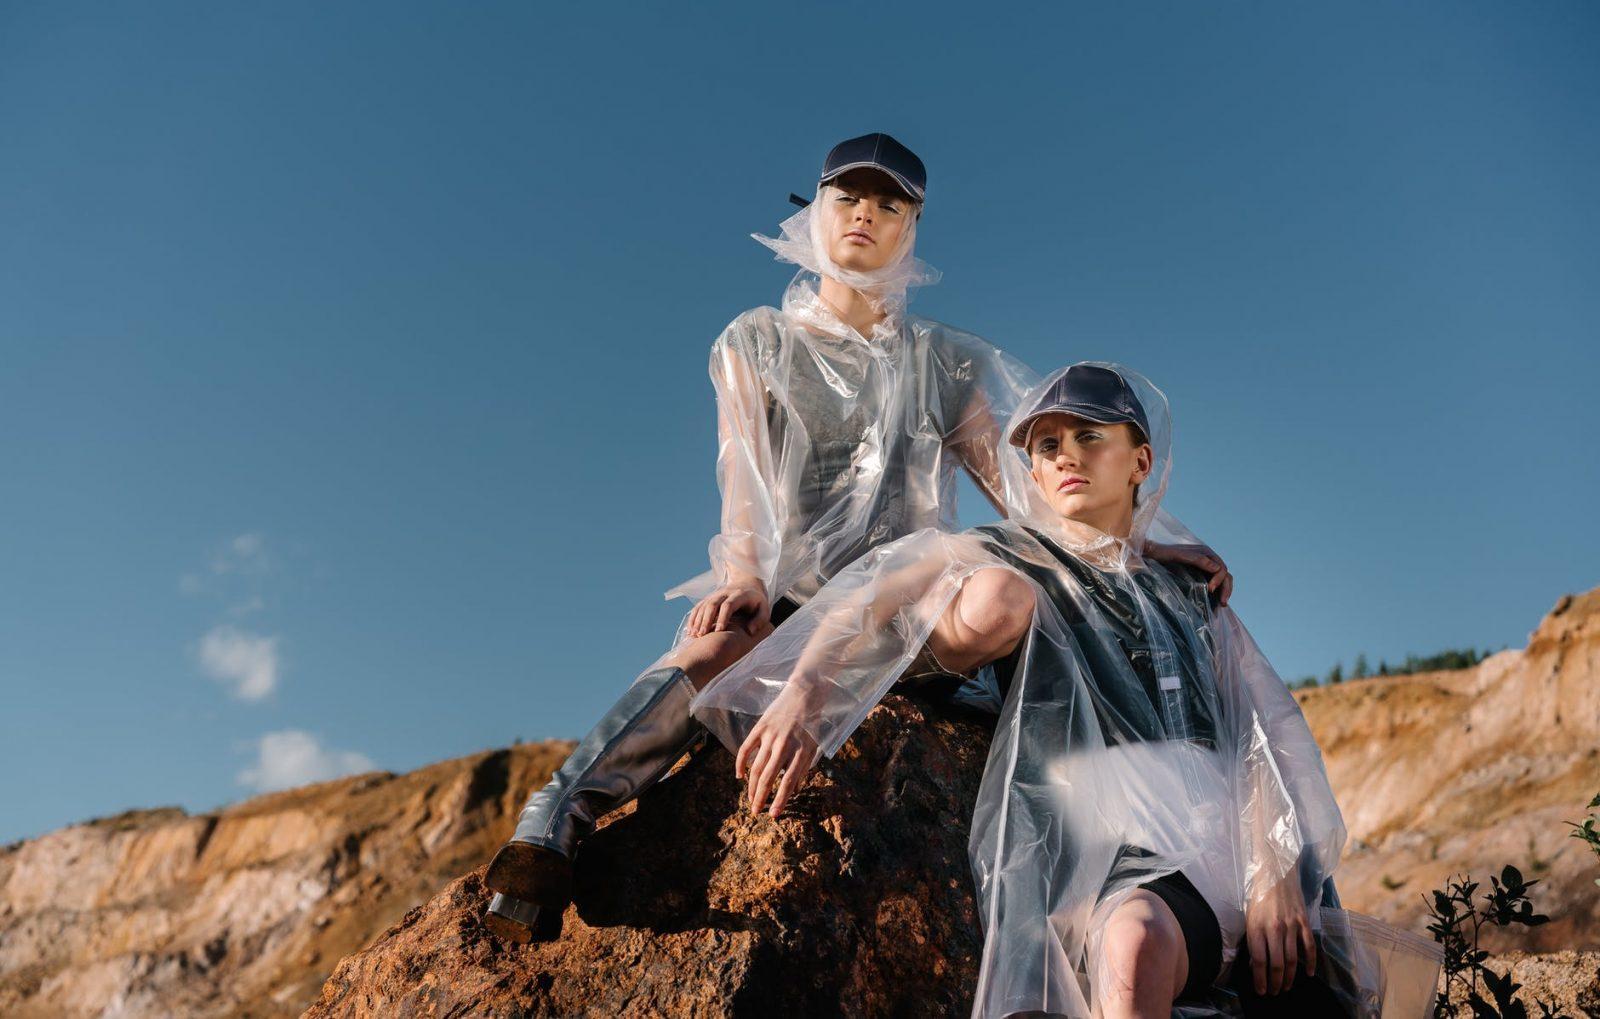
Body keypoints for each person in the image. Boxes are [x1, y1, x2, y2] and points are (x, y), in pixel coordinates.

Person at [483, 137, 1232, 944]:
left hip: (907, 616)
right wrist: (740, 574)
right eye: (848, 198)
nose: (866, 214)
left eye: (890, 203)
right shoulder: (756, 340)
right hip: (798, 604)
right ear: (816, 214)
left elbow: (1036, 490)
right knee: (714, 646)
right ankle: (549, 825)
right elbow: (742, 475)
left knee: (999, 605)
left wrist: (1150, 539)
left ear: (911, 229)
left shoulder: (943, 360)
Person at [692, 363, 1442, 1018]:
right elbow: (874, 591)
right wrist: (803, 693)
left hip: (1226, 869)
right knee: (1133, 944)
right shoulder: (1011, 556)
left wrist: (1275, 871)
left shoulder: (1191, 594)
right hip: (1116, 866)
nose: (1064, 457)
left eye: (1089, 437)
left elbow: (1260, 729)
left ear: (1140, 459)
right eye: (1046, 446)